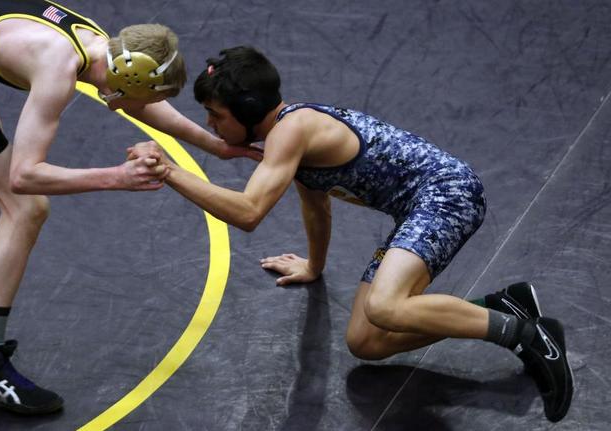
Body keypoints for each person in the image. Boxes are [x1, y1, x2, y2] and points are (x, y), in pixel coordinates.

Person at [129, 46, 574, 422]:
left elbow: (248, 213)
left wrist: (169, 172)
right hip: (416, 210)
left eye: (215, 115)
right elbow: (316, 206)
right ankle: (499, 306)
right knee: (367, 341)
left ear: (247, 112)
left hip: (447, 195)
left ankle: (527, 336)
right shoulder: (291, 137)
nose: (211, 126)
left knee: (385, 306)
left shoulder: (292, 130)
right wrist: (313, 266)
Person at [0, 0, 258, 415]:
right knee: (25, 207)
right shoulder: (58, 68)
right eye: (131, 97)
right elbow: (26, 176)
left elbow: (141, 99)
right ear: (122, 79)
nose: (128, 108)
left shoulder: (107, 49)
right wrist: (116, 177)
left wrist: (218, 148)